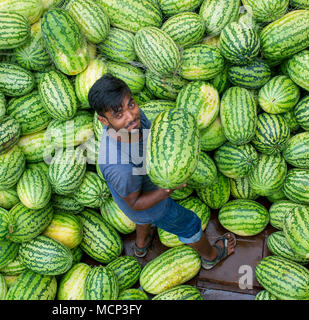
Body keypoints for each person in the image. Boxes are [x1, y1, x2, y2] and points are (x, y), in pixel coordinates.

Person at [88, 73, 236, 269]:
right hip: (150, 205)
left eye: (131, 104)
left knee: (141, 220)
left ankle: (141, 245)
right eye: (118, 114)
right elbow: (135, 203)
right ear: (104, 121)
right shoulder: (118, 165)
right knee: (190, 224)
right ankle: (211, 255)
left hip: (139, 202)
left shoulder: (136, 122)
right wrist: (166, 191)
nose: (131, 116)